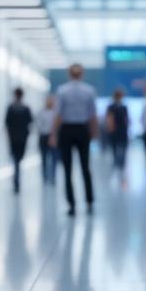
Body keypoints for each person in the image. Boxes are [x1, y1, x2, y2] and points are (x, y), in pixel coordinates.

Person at [50, 63, 98, 216]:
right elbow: (92, 115)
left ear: (69, 74)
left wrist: (53, 134)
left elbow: (58, 115)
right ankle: (89, 202)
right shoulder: (89, 90)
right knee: (86, 167)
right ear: (82, 74)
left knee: (67, 169)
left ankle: (72, 205)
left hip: (67, 130)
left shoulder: (62, 90)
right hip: (83, 130)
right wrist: (94, 132)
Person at [4, 88, 33, 193]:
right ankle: (17, 179)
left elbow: (6, 123)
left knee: (16, 159)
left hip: (14, 137)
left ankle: (16, 178)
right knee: (18, 159)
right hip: (22, 137)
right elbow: (30, 122)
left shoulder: (11, 108)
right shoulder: (26, 108)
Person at [106, 88, 130, 185]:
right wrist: (111, 129)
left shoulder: (124, 107)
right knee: (116, 152)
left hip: (122, 132)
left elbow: (126, 120)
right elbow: (110, 120)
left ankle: (121, 169)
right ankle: (117, 168)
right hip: (116, 133)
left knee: (122, 152)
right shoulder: (111, 107)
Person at [36, 94, 58, 185]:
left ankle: (53, 177)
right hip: (43, 137)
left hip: (53, 136)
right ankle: (45, 177)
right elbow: (38, 125)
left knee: (54, 158)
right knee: (44, 158)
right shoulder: (41, 112)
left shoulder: (56, 113)